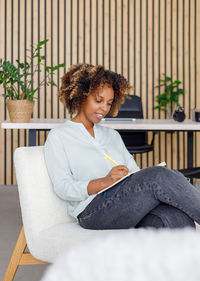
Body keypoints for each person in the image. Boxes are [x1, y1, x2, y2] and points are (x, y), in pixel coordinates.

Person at [44, 63, 200, 230]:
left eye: (109, 103)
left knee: (176, 217)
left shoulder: (112, 135)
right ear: (81, 96)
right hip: (92, 212)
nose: (104, 108)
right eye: (99, 100)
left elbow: (135, 173)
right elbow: (63, 187)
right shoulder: (59, 136)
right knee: (158, 176)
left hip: (124, 206)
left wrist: (131, 177)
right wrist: (104, 182)